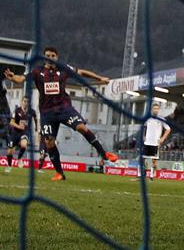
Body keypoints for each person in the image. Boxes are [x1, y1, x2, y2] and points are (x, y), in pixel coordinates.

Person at [3, 46, 118, 181]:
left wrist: (100, 78)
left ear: (56, 57)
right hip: (46, 113)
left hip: (64, 109)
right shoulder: (37, 71)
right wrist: (12, 78)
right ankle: (59, 173)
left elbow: (81, 72)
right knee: (49, 142)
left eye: (52, 55)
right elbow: (20, 79)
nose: (50, 57)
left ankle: (104, 154)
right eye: (47, 55)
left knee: (82, 127)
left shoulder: (63, 68)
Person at [5, 96, 37, 172]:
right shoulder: (17, 110)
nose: (26, 103)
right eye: (24, 101)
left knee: (24, 145)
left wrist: (36, 127)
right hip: (15, 133)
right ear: (21, 102)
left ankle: (19, 158)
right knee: (9, 152)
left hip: (25, 132)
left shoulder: (32, 111)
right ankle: (9, 166)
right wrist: (19, 126)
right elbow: (11, 122)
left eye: (27, 102)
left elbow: (35, 118)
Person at [141, 103, 171, 181]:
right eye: (154, 108)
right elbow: (143, 127)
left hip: (155, 143)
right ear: (152, 110)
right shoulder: (147, 119)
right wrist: (143, 136)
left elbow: (168, 129)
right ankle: (143, 174)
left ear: (159, 110)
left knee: (154, 160)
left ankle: (151, 175)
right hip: (147, 142)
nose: (156, 110)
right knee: (143, 159)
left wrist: (162, 138)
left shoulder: (161, 119)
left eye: (157, 109)